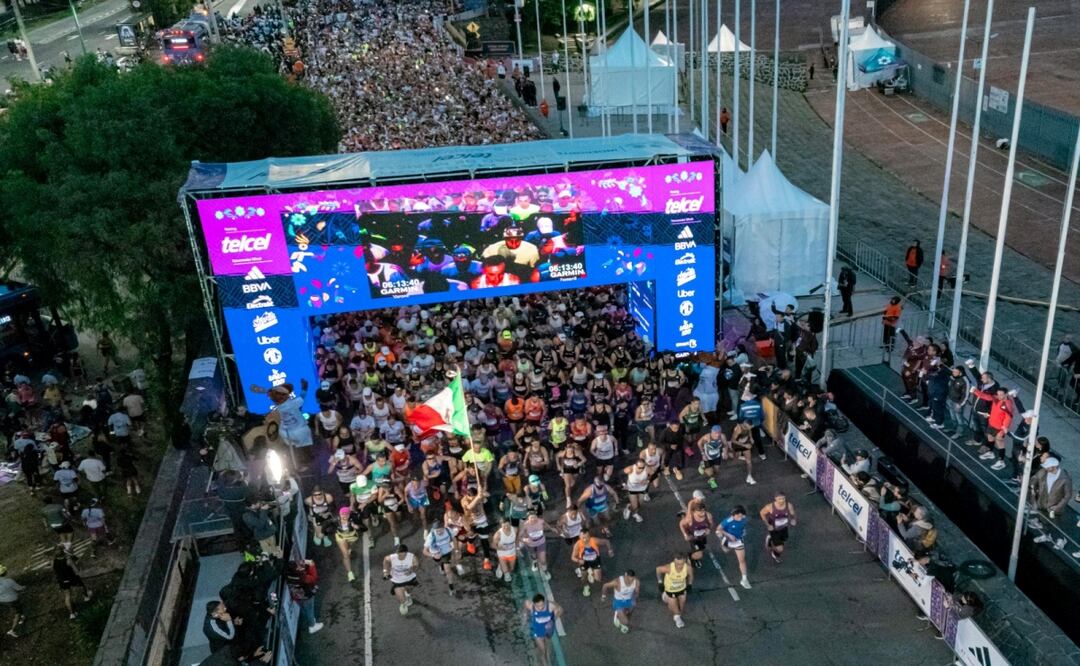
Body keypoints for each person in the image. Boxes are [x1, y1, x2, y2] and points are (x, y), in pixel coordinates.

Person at [716, 506, 752, 589]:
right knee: (726, 550)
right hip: (728, 539)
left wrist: (743, 532)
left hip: (738, 541)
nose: (739, 517)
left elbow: (742, 527)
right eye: (737, 515)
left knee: (742, 560)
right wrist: (729, 535)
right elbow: (718, 528)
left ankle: (744, 579)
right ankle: (722, 540)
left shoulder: (744, 519)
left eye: (741, 515)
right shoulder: (728, 520)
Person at [571, 527, 613, 597]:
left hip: (595, 560)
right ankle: (586, 586)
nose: (585, 539)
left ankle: (591, 572)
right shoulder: (577, 545)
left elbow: (606, 541)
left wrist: (610, 550)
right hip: (584, 562)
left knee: (598, 579)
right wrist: (578, 560)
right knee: (583, 578)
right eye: (583, 537)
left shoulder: (594, 540)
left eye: (587, 537)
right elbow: (573, 557)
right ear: (580, 537)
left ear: (589, 536)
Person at [286, 560, 324, 634]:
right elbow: (313, 578)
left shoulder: (287, 575)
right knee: (309, 610)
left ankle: (310, 620)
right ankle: (312, 626)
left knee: (304, 609)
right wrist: (312, 566)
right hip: (306, 595)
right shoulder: (301, 576)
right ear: (296, 568)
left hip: (296, 595)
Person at [53, 547, 92, 619]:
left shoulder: (54, 561)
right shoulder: (68, 560)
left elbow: (56, 571)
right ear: (63, 551)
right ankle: (86, 597)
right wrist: (75, 563)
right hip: (71, 578)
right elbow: (76, 570)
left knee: (67, 596)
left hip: (62, 580)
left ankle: (72, 614)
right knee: (81, 584)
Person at [656, 553, 693, 628]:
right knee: (674, 607)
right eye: (677, 564)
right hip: (671, 590)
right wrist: (660, 582)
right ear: (674, 562)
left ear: (685, 561)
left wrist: (690, 584)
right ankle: (677, 618)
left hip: (682, 588)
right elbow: (658, 569)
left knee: (681, 605)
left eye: (682, 564)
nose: (680, 566)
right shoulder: (668, 568)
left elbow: (691, 575)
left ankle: (678, 613)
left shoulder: (688, 568)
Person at [423, 519, 459, 596]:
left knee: (448, 570)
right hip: (436, 553)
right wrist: (433, 555)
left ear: (444, 527)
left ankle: (451, 587)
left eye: (441, 530)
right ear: (434, 530)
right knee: (440, 562)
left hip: (446, 553)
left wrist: (456, 550)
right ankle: (441, 565)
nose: (439, 532)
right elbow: (424, 551)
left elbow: (454, 538)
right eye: (437, 531)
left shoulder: (448, 530)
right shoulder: (431, 536)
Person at [524, 593, 563, 665]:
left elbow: (561, 610)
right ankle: (544, 660)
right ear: (534, 604)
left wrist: (553, 619)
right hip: (538, 632)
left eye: (542, 605)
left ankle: (546, 654)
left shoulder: (550, 606)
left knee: (547, 643)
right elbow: (526, 604)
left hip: (548, 630)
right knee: (542, 650)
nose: (540, 608)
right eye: (537, 606)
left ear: (544, 602)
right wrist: (526, 616)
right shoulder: (530, 606)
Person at [679, 495, 715, 568]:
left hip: (702, 536)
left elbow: (711, 524)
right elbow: (681, 524)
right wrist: (685, 534)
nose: (702, 513)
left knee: (702, 547)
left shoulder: (708, 516)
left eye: (703, 511)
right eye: (700, 511)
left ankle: (694, 555)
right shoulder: (690, 518)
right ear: (695, 511)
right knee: (699, 553)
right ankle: (690, 557)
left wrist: (708, 529)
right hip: (693, 537)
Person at [383, 544, 420, 615]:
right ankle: (403, 604)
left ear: (406, 553)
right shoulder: (392, 557)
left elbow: (416, 565)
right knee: (401, 597)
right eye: (399, 554)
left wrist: (411, 569)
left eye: (403, 555)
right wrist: (385, 572)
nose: (400, 556)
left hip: (409, 579)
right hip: (397, 580)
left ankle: (408, 595)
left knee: (408, 589)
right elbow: (385, 560)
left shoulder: (412, 557)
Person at [760, 492, 797, 563]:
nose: (782, 500)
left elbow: (793, 513)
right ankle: (774, 553)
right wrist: (768, 525)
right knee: (780, 549)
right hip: (774, 529)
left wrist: (793, 519)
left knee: (784, 540)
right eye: (779, 499)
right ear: (775, 499)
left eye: (783, 498)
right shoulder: (770, 507)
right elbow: (762, 513)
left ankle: (770, 539)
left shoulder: (789, 505)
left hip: (784, 527)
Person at [600, 569, 639, 633]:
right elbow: (605, 586)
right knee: (626, 622)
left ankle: (622, 617)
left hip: (629, 600)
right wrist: (603, 596)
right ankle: (617, 615)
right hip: (618, 602)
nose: (630, 581)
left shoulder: (636, 582)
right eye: (629, 579)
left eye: (632, 579)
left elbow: (636, 593)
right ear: (625, 576)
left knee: (629, 613)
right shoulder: (617, 582)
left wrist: (634, 599)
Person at [333, 506, 365, 582]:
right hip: (341, 538)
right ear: (339, 514)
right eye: (342, 514)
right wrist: (324, 533)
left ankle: (350, 550)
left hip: (352, 537)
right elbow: (326, 526)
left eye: (346, 514)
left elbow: (364, 528)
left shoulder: (354, 518)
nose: (344, 516)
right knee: (346, 555)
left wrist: (357, 527)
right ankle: (350, 573)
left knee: (349, 550)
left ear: (349, 514)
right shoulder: (335, 520)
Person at [0, 564, 26, 638]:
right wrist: (23, 587)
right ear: (5, 572)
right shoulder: (9, 581)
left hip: (2, 600)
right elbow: (19, 588)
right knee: (17, 613)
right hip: (11, 600)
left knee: (18, 607)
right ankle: (12, 630)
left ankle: (22, 616)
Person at [493, 517, 520, 583]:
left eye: (508, 525)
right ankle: (503, 569)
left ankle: (501, 565)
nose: (506, 527)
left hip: (512, 552)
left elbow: (516, 539)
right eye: (504, 526)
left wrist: (517, 548)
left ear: (510, 523)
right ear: (501, 526)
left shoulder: (515, 530)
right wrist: (500, 548)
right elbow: (493, 545)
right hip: (502, 553)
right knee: (506, 573)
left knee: (511, 569)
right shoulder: (498, 534)